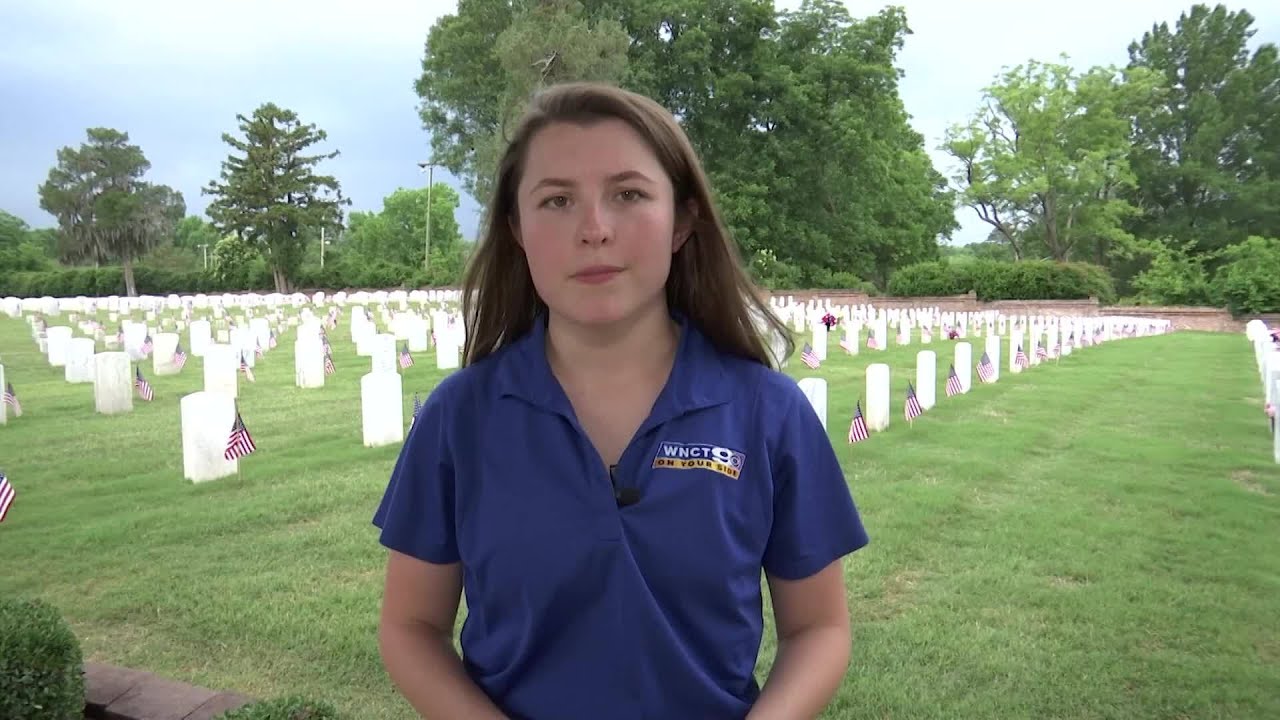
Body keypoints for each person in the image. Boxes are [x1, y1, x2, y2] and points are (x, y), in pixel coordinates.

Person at [372, 82, 869, 720]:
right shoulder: (459, 418)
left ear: (683, 220)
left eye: (628, 194)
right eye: (556, 200)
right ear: (517, 229)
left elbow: (819, 629)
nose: (595, 230)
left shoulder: (768, 415)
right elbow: (411, 626)